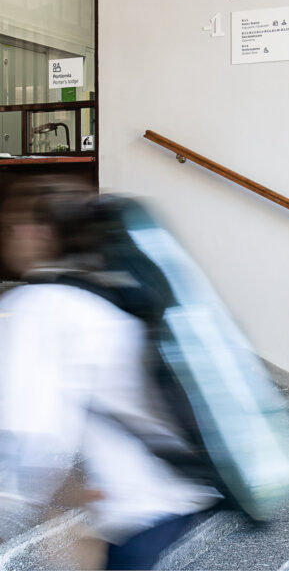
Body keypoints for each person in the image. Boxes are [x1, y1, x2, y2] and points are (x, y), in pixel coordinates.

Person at [0, 177, 220, 570]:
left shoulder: (35, 306)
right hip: (174, 490)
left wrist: (27, 498)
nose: (7, 236)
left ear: (39, 231)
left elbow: (27, 438)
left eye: (12, 225)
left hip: (138, 507)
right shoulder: (103, 291)